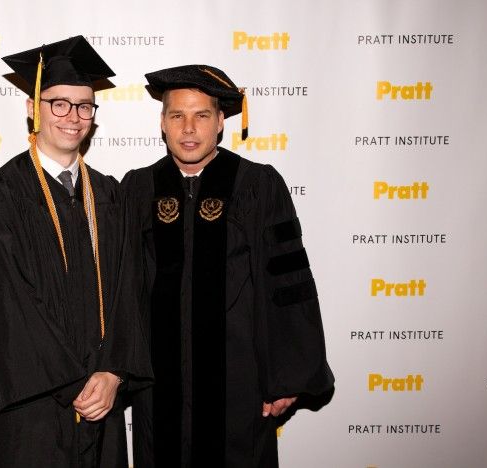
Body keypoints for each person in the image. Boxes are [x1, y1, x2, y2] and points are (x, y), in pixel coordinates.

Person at [121, 64, 334, 467]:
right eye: (176, 115)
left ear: (220, 122)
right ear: (162, 123)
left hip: (239, 383)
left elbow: (286, 285)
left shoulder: (257, 185)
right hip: (158, 388)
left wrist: (285, 376)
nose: (188, 128)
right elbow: (121, 292)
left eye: (201, 115)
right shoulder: (138, 189)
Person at [0, 36, 152, 468]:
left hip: (102, 400)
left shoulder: (108, 193)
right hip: (36, 403)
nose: (73, 117)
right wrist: (73, 384)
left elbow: (129, 291)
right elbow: (2, 301)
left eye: (85, 106)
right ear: (33, 108)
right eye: (59, 104)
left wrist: (112, 374)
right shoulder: (3, 193)